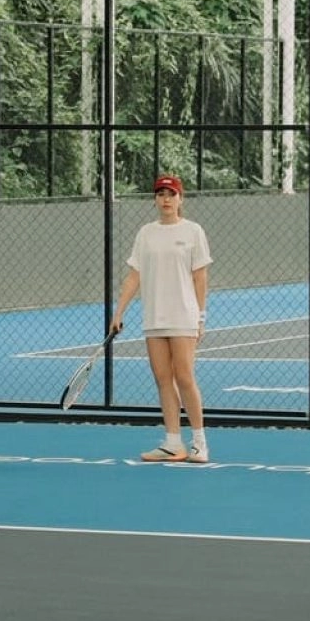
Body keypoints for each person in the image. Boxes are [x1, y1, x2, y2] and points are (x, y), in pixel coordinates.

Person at [112, 175, 213, 464]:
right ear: (155, 200)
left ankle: (199, 442)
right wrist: (119, 312)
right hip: (154, 317)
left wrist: (201, 317)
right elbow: (135, 276)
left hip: (184, 316)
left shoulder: (193, 231)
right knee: (162, 379)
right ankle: (172, 443)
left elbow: (200, 277)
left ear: (181, 199)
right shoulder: (146, 233)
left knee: (184, 376)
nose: (166, 199)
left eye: (171, 194)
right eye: (161, 194)